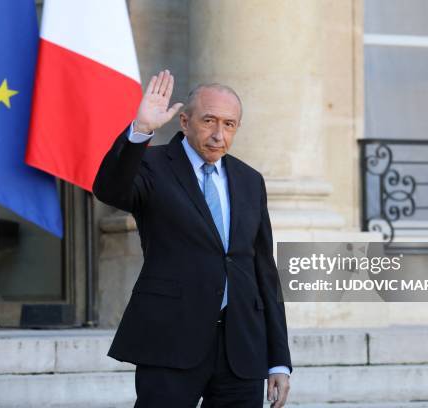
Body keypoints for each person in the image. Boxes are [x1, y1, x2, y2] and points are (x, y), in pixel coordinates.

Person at [93, 69, 292, 407]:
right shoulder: (152, 166)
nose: (218, 135)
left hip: (241, 348)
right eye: (209, 121)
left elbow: (264, 271)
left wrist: (278, 359)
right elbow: (110, 189)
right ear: (184, 122)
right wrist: (141, 130)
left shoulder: (249, 180)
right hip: (170, 340)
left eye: (229, 125)